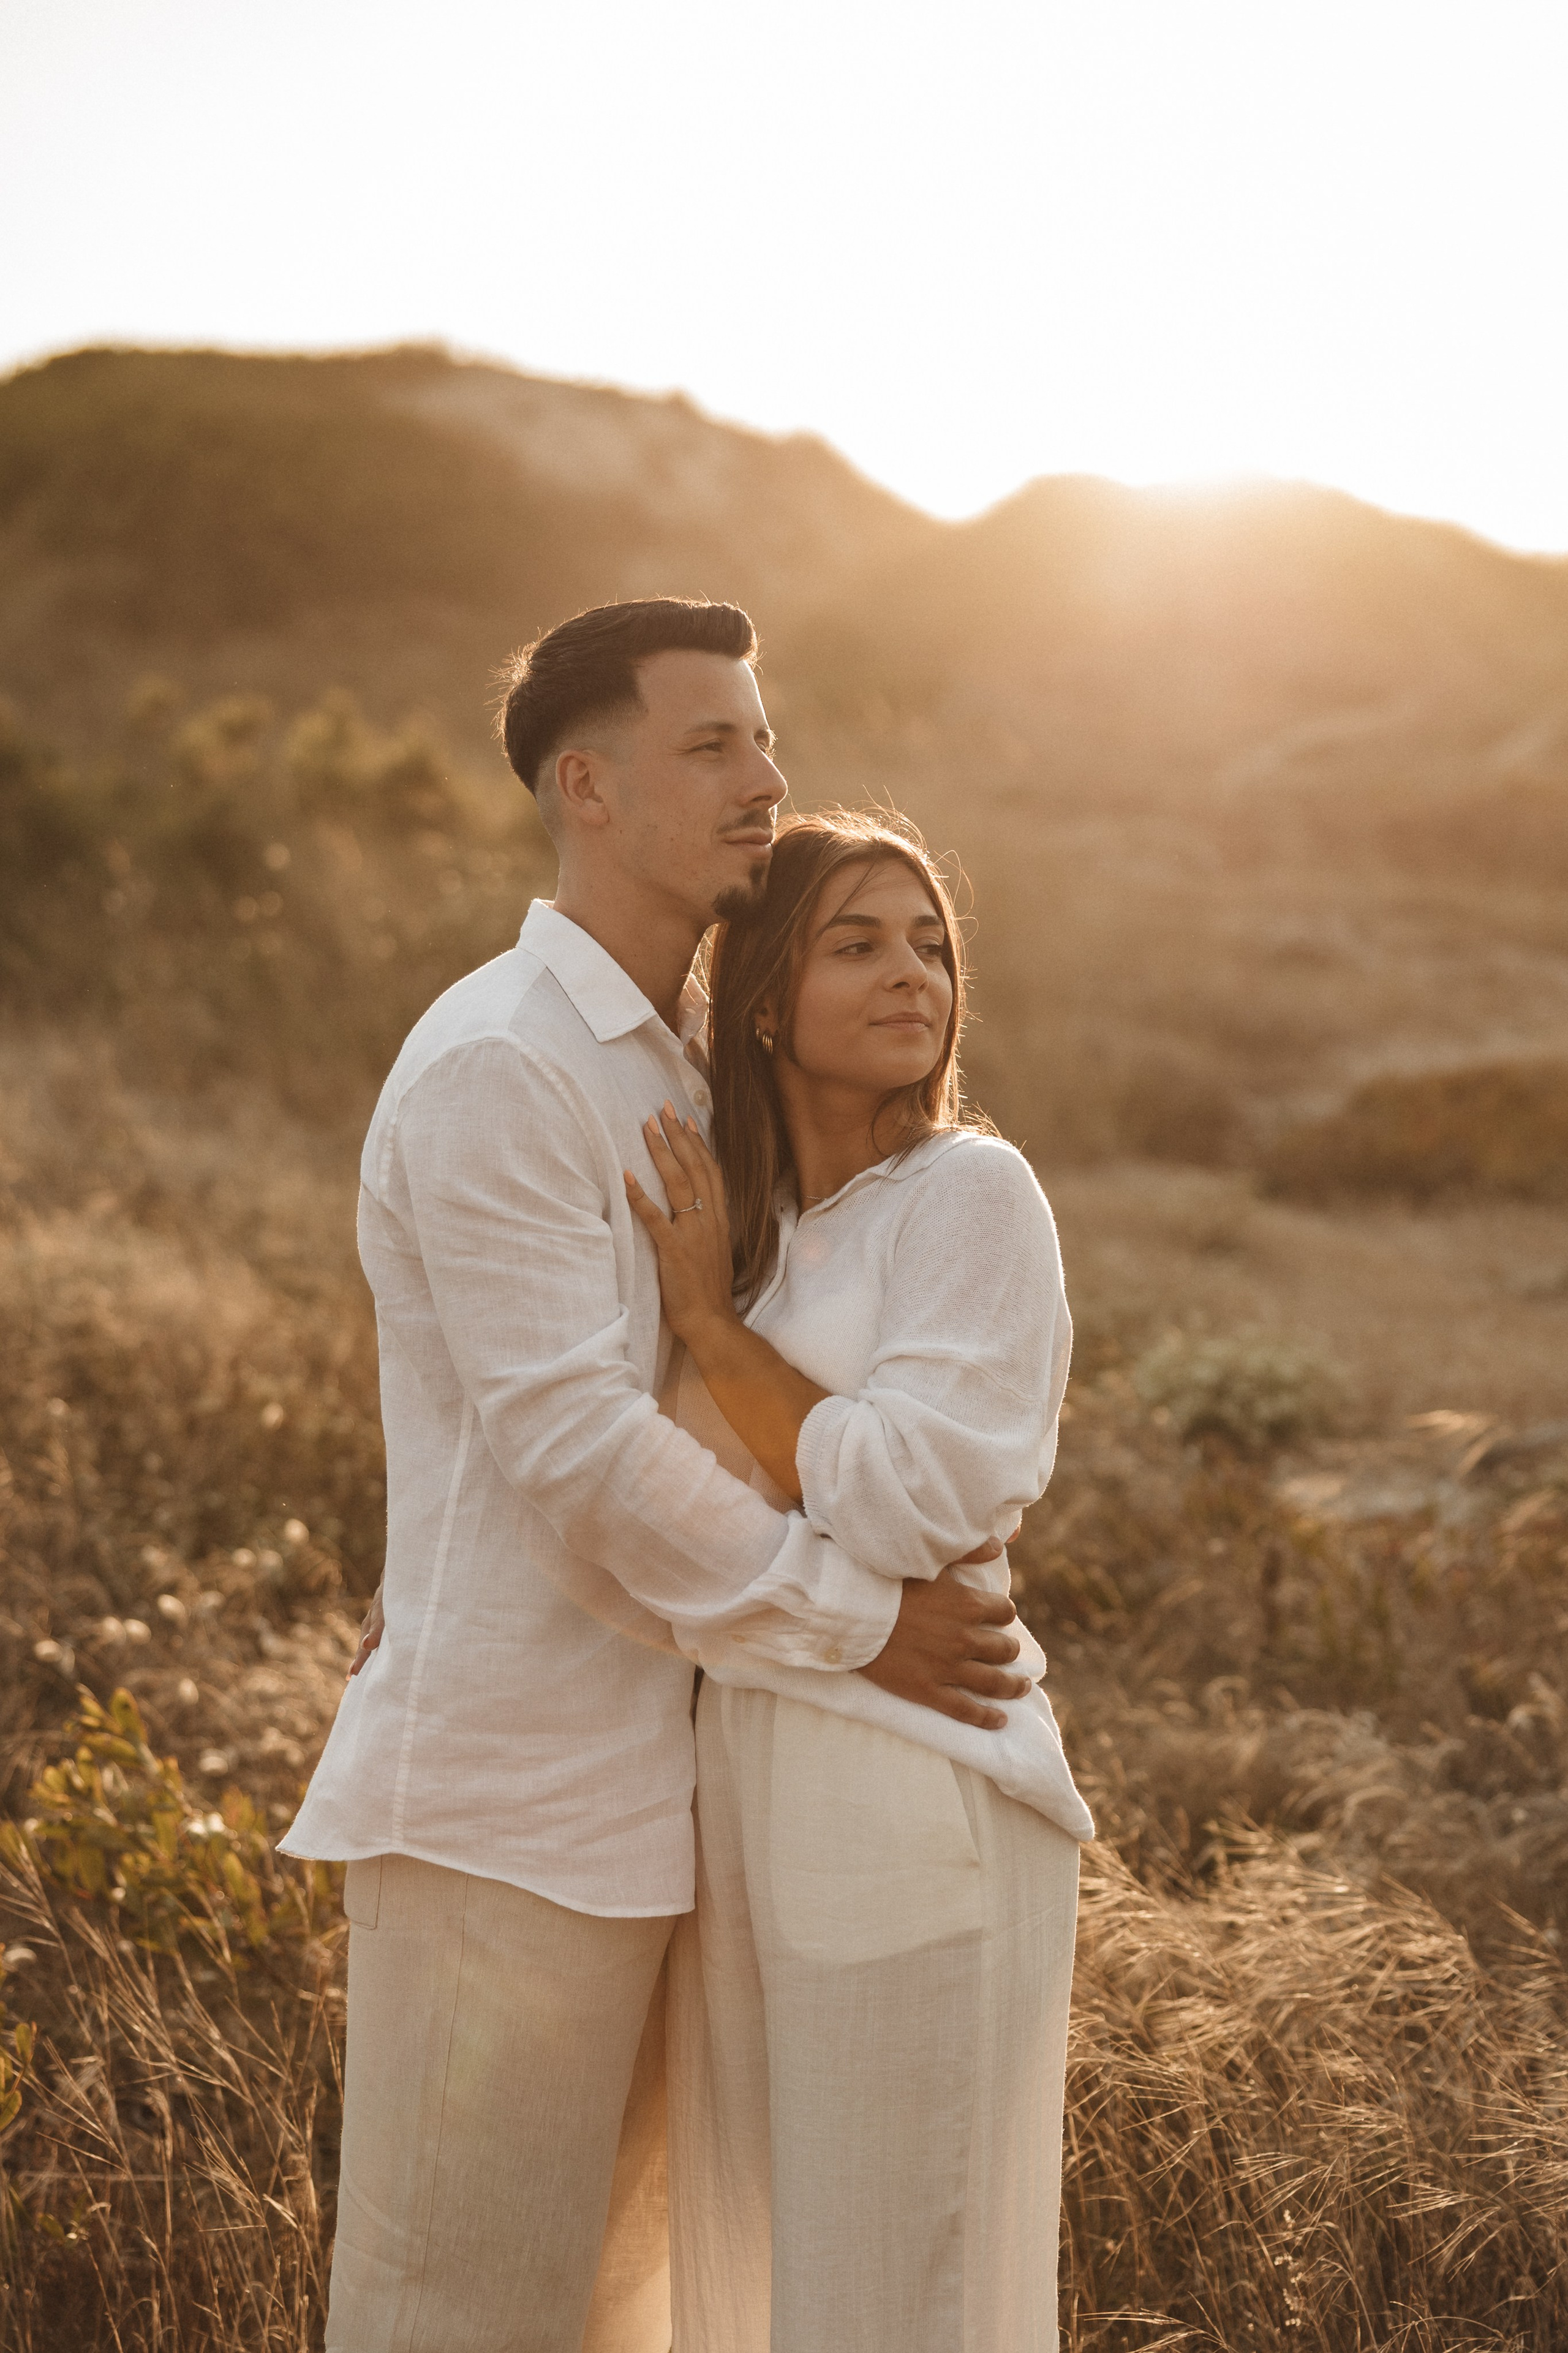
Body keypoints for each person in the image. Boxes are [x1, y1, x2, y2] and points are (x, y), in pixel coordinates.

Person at [281, 598, 1035, 2353]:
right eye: (715, 744)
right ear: (588, 787)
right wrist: (864, 1623)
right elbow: (572, 1447)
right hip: (511, 1810)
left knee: (630, 2323)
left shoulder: (710, 1060)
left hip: (686, 1809)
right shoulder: (501, 1065)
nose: (766, 776)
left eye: (767, 738)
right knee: (451, 2316)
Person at [623, 810, 1094, 2352]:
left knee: (903, 2297)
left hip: (913, 1777)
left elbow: (906, 1496)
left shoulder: (968, 1195)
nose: (913, 974)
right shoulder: (761, 1241)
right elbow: (660, 1518)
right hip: (745, 1788)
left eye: (931, 943)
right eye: (858, 941)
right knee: (769, 2293)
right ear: (762, 999)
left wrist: (711, 1338)